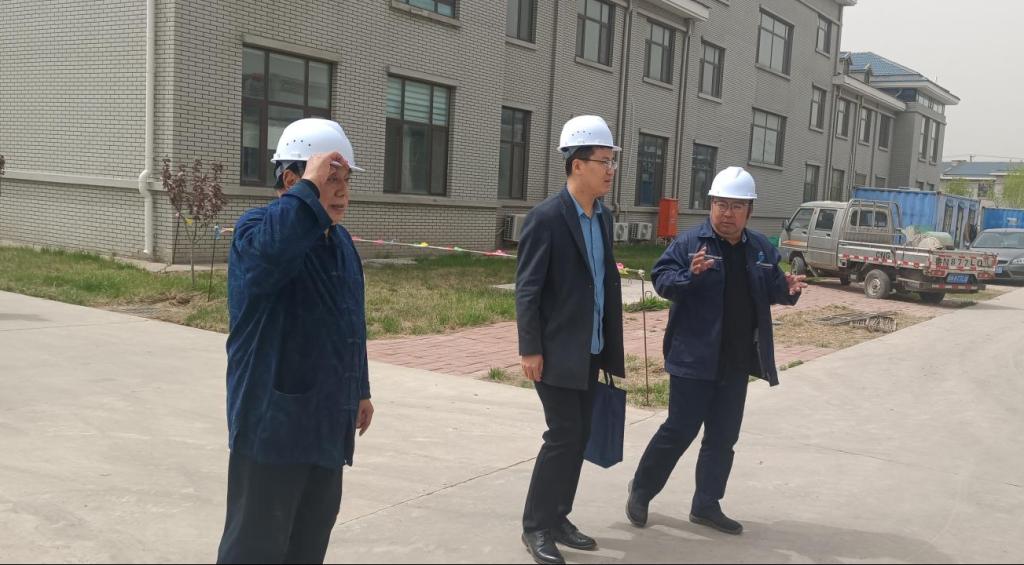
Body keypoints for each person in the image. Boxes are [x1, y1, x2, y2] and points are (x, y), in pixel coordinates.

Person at [217, 118, 374, 564]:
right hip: (272, 425)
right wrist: (307, 190)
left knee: (309, 540)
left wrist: (360, 389)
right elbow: (269, 258)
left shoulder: (339, 241)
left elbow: (350, 322)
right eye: (332, 178)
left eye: (347, 180)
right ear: (292, 181)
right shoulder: (256, 229)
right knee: (255, 547)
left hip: (326, 422)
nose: (343, 192)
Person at [625, 166, 807, 536]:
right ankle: (641, 490)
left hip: (736, 361)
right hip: (693, 357)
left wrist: (789, 290)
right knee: (679, 430)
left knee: (723, 437)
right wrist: (688, 275)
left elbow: (774, 288)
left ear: (749, 211)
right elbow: (661, 280)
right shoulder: (690, 244)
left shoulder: (760, 249)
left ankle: (706, 504)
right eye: (721, 204)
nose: (727, 213)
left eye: (737, 206)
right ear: (711, 205)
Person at [516, 115, 626, 565]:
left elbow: (601, 281)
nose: (611, 170)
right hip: (555, 350)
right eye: (604, 161)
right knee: (562, 435)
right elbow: (528, 289)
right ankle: (536, 527)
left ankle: (559, 517)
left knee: (579, 436)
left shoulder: (603, 218)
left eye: (613, 161)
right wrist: (530, 348)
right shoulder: (546, 218)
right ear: (577, 164)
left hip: (591, 347)